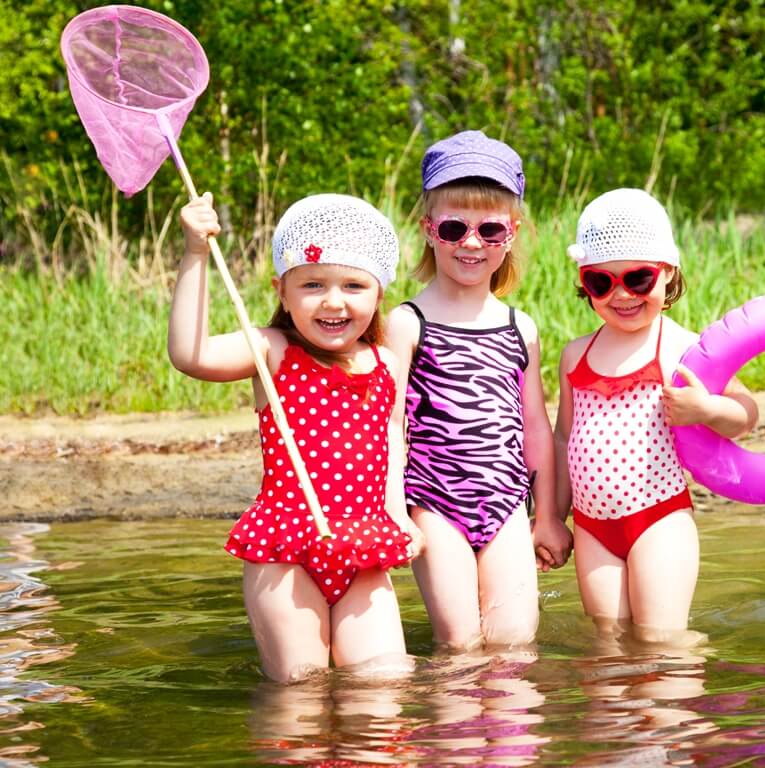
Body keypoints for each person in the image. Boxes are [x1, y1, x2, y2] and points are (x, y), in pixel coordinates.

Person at [170, 192, 424, 682]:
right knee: (300, 692)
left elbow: (393, 442)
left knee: (384, 685)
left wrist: (398, 516)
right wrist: (196, 255)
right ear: (282, 292)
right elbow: (191, 353)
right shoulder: (273, 351)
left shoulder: (386, 365)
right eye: (312, 284)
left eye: (353, 284)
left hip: (364, 547)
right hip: (285, 549)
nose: (333, 300)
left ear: (378, 294)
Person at [386, 130, 572, 651]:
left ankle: (514, 733)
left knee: (514, 641)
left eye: (489, 229)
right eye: (453, 227)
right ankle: (455, 732)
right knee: (460, 642)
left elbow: (534, 425)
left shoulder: (520, 327)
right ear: (429, 230)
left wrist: (549, 516)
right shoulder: (407, 322)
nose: (471, 243)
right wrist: (394, 512)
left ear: (510, 234)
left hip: (507, 503)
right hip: (433, 503)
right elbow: (391, 425)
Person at [553, 188, 758, 645]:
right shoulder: (574, 355)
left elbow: (745, 414)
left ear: (668, 274)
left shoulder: (684, 349)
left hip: (658, 519)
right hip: (591, 527)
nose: (621, 294)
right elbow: (564, 438)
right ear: (585, 284)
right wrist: (551, 516)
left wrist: (706, 409)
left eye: (638, 279)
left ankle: (679, 711)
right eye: (601, 283)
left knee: (662, 642)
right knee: (609, 642)